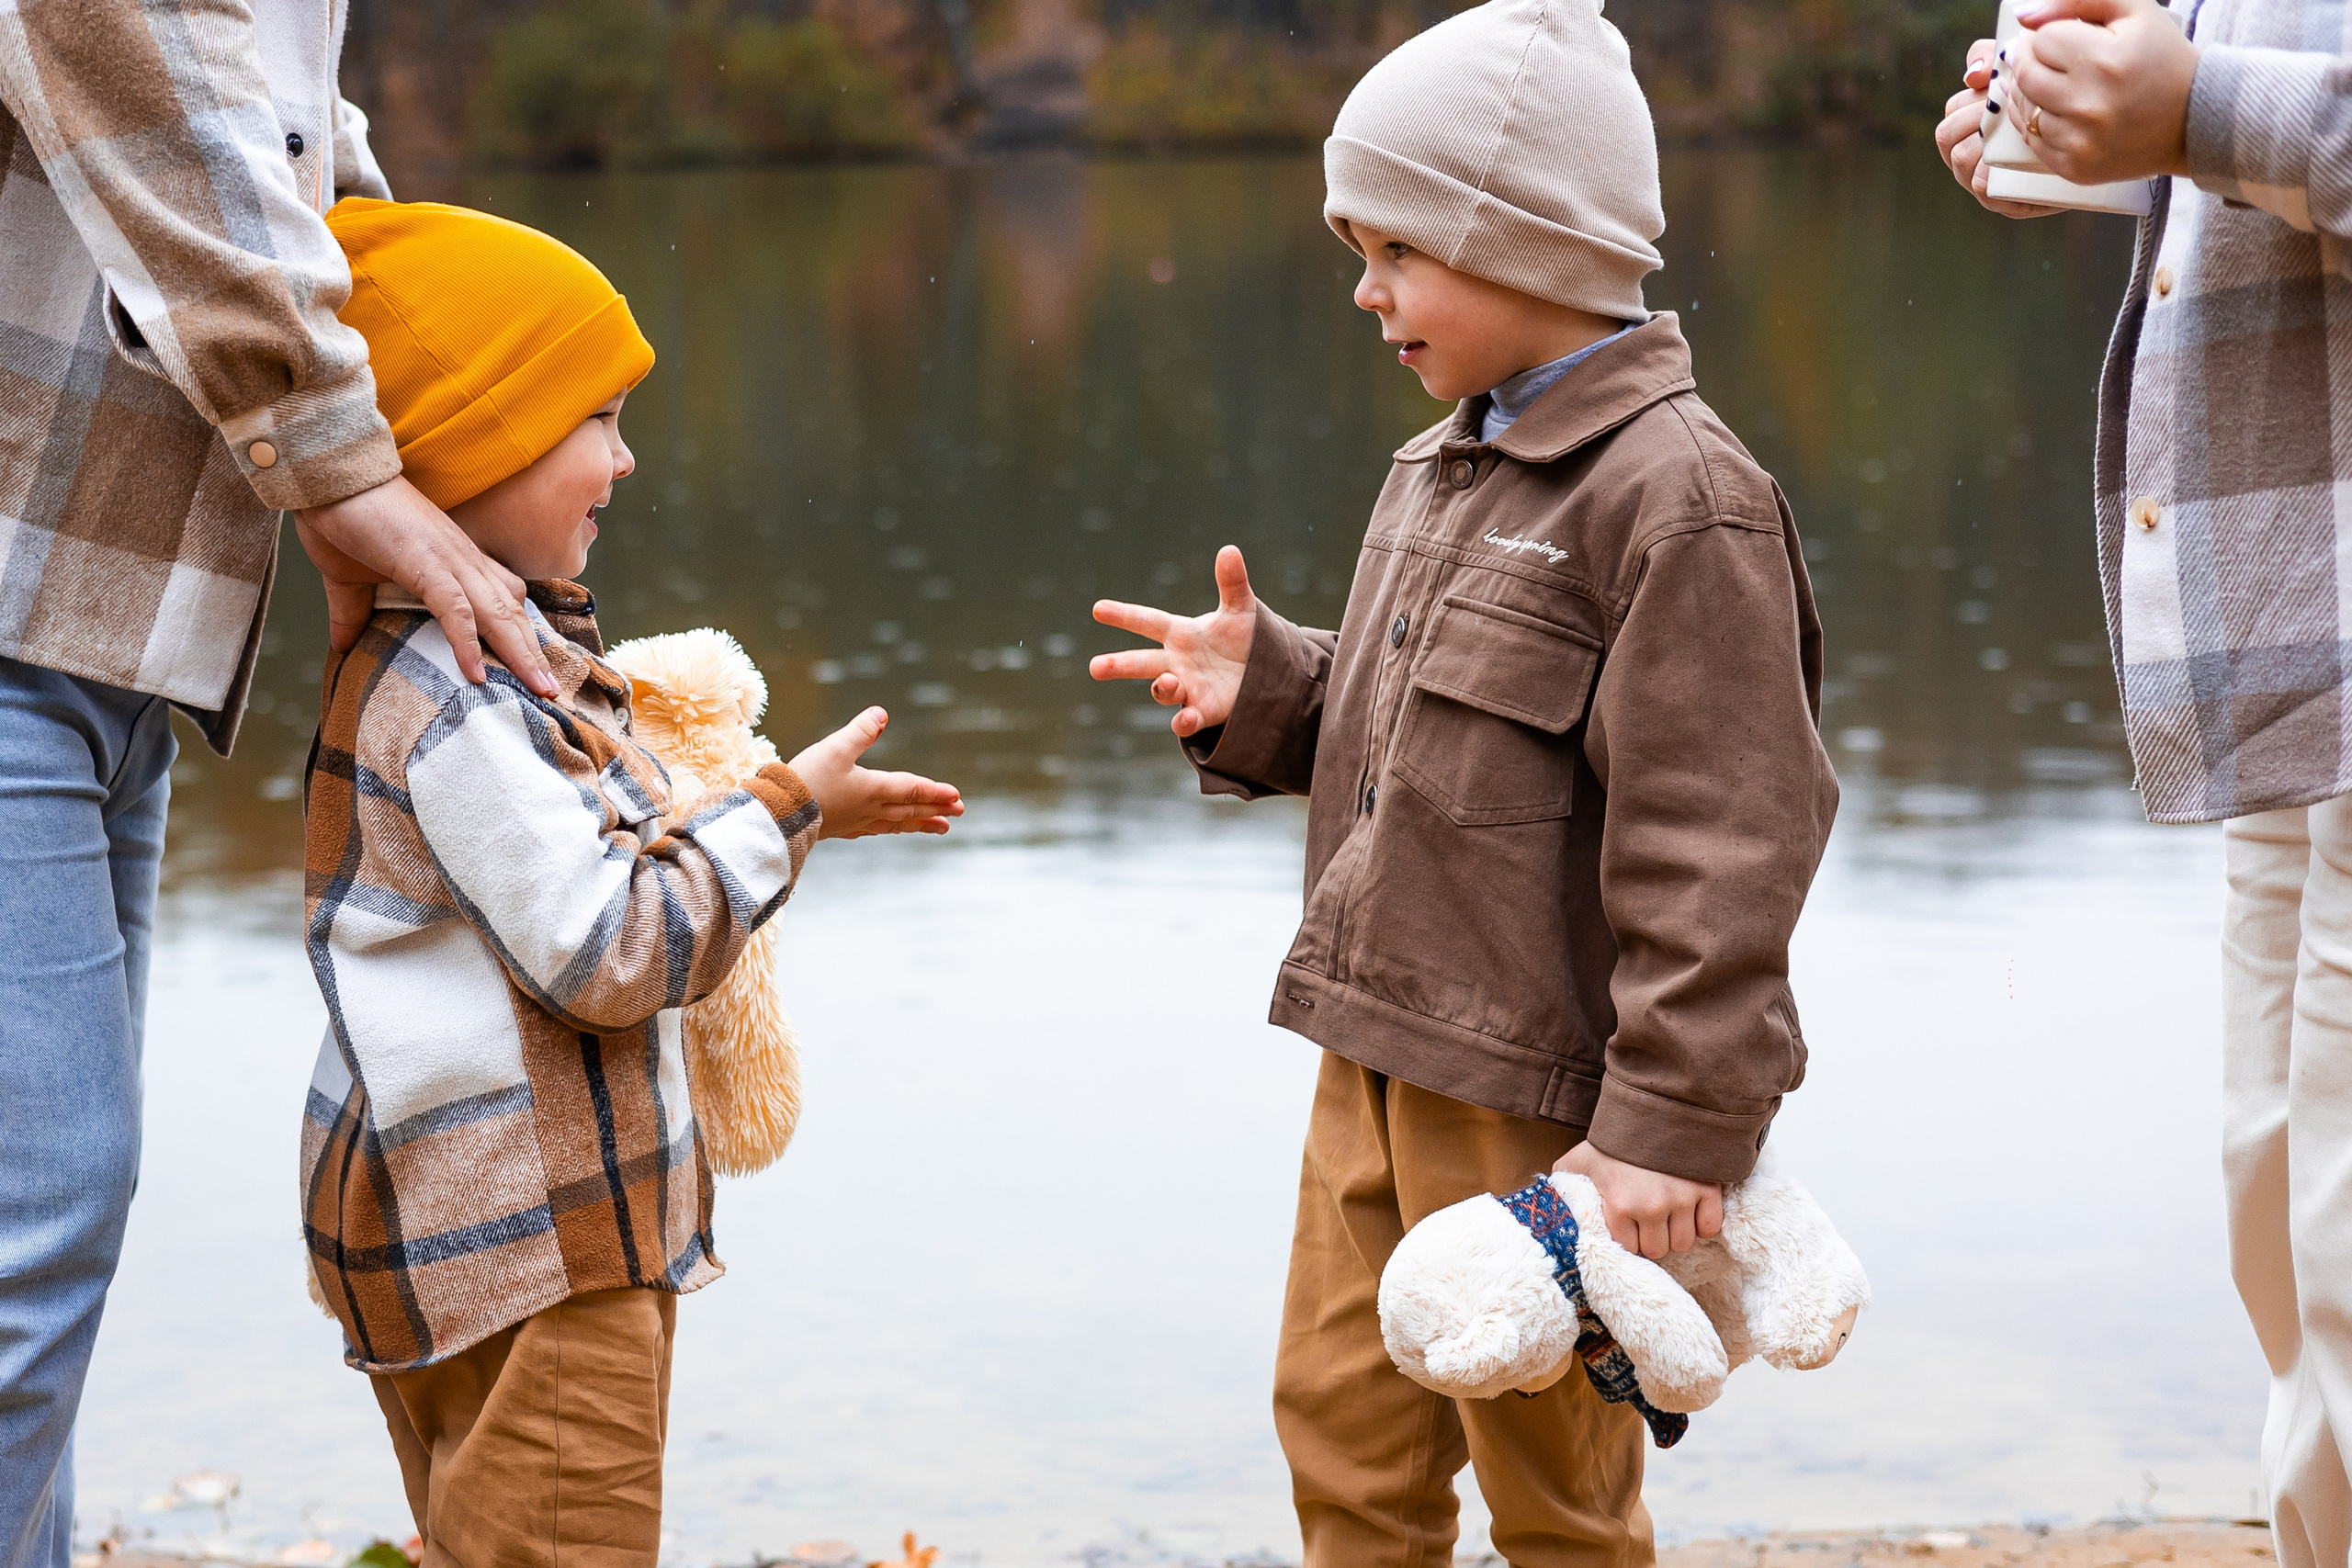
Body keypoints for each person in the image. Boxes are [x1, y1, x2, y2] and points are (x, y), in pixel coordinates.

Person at [1089, 2, 1840, 1561]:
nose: (1367, 291)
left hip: (1541, 1107)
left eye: (1395, 251)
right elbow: (1422, 741)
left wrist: (1670, 1124)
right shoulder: (1439, 464)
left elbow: (1729, 841)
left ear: (1526, 241)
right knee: (1340, 1433)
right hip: (1371, 1050)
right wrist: (1274, 691)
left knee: (1552, 1483)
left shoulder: (1678, 498)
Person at [298, 198, 963, 1562]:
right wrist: (778, 813)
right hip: (539, 1253)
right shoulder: (467, 699)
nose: (626, 455)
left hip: (471, 1234)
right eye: (595, 421)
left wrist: (797, 824)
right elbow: (611, 951)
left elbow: (575, 881)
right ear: (473, 445)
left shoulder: (467, 666)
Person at [0, 6, 560, 1561]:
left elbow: (276, 136)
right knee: (34, 1219)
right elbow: (155, 91)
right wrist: (341, 454)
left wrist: (457, 373)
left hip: (101, 616)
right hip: (16, 606)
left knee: (44, 1235)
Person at [1938, 5, 2352, 1564]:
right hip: (2293, 637)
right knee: (2289, 1228)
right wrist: (2089, 136)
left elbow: (2248, 109)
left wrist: (2195, 109)